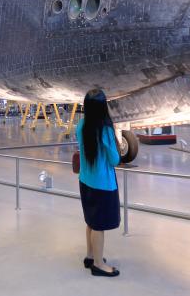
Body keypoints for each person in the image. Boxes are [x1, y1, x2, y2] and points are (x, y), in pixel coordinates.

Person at [76, 89, 121, 277]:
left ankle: (90, 255)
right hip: (102, 184)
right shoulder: (105, 130)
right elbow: (115, 160)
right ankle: (98, 265)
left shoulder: (81, 124)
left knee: (91, 221)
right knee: (99, 225)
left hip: (85, 180)